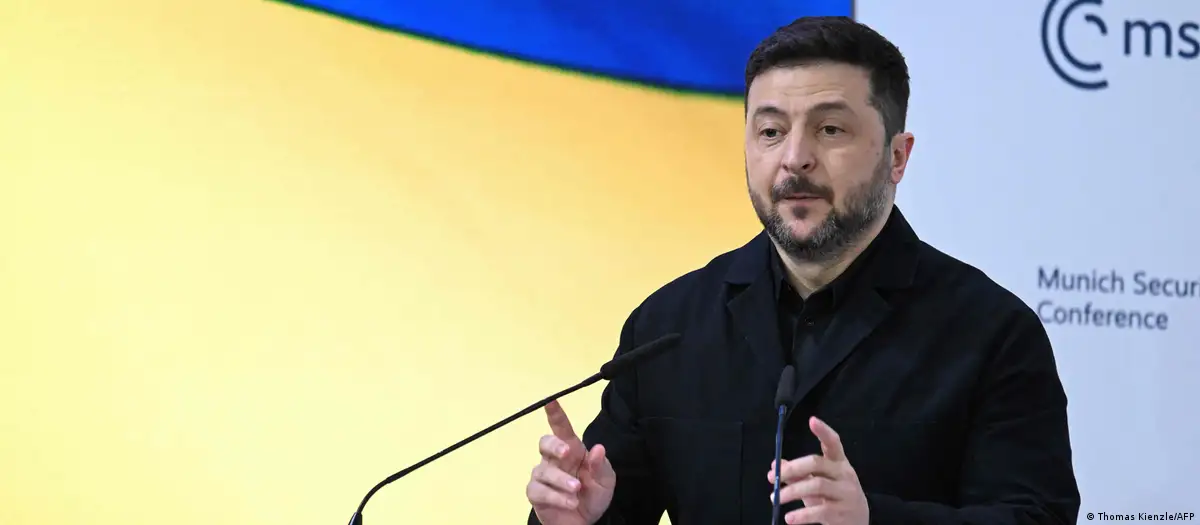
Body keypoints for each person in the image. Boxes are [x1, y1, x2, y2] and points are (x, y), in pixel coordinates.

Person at [525, 16, 1080, 525]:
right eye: (771, 132)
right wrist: (579, 518)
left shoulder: (990, 333)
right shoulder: (668, 328)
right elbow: (614, 505)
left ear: (897, 157)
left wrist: (872, 520)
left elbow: (1037, 518)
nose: (795, 158)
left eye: (830, 130)